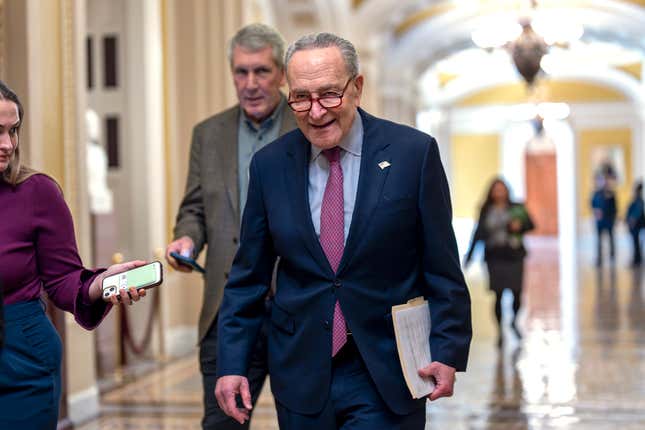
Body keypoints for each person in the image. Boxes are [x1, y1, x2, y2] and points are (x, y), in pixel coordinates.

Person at [214, 32, 472, 430]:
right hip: (301, 370)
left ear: (357, 87)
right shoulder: (270, 166)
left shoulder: (412, 154)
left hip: (389, 368)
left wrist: (448, 348)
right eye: (301, 97)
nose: (316, 112)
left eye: (329, 95)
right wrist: (231, 365)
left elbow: (442, 265)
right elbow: (248, 277)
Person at [164, 23, 297, 429]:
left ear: (282, 74)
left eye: (261, 71)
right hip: (228, 311)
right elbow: (194, 208)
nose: (250, 83)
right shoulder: (209, 133)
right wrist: (187, 238)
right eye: (241, 72)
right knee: (220, 424)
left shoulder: (308, 126)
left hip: (298, 310)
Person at [0, 80, 148, 428]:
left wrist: (101, 283)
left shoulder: (37, 192)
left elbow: (64, 281)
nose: (7, 144)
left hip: (21, 360)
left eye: (13, 131)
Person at [464, 178, 534, 348]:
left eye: (502, 189)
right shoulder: (486, 209)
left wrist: (520, 226)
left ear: (507, 191)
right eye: (496, 190)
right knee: (498, 294)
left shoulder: (517, 207)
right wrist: (470, 256)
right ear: (491, 192)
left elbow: (531, 225)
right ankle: (500, 331)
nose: (499, 193)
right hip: (494, 257)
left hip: (514, 256)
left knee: (517, 293)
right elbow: (478, 233)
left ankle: (514, 322)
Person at [591, 171, 617, 266]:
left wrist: (614, 219)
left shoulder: (611, 193)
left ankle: (612, 256)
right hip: (599, 221)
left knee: (611, 238)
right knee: (599, 240)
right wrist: (595, 211)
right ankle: (599, 258)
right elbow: (592, 205)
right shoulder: (596, 193)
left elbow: (614, 207)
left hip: (609, 220)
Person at [625, 181, 645, 266]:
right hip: (635, 225)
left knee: (636, 243)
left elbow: (636, 213)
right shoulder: (637, 199)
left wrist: (632, 220)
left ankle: (637, 260)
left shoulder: (639, 200)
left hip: (636, 225)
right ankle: (637, 259)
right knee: (635, 243)